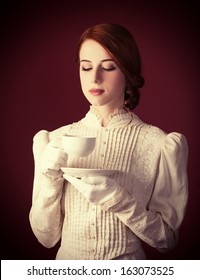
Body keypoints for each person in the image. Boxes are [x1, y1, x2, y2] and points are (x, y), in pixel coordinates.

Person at [29, 23, 188, 260]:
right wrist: (49, 178)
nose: (94, 77)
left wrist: (120, 201)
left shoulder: (160, 144)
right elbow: (46, 238)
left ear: (128, 72)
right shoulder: (54, 141)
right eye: (86, 67)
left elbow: (167, 241)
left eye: (108, 67)